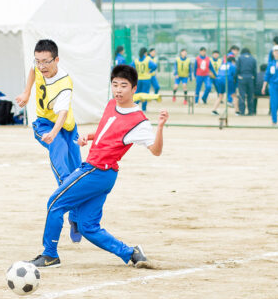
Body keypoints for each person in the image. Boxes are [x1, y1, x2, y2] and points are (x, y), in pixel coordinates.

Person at [26, 64, 167, 269]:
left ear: (134, 89)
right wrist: (89, 137)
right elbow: (104, 132)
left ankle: (50, 255)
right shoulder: (112, 104)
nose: (118, 90)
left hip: (96, 171)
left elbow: (156, 150)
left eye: (124, 86)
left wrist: (160, 127)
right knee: (88, 226)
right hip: (103, 174)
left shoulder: (139, 121)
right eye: (115, 84)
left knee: (55, 202)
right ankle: (132, 254)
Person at [16, 39, 83, 242]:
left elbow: (63, 113)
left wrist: (56, 131)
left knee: (79, 172)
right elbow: (32, 71)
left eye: (46, 62)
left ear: (57, 60)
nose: (41, 66)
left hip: (67, 128)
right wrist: (27, 92)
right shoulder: (38, 67)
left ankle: (76, 218)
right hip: (44, 124)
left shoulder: (65, 82)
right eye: (38, 61)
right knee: (59, 152)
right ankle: (65, 193)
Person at [236, 47, 257, 115]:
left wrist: (237, 76)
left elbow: (237, 68)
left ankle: (242, 111)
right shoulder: (253, 58)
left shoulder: (240, 58)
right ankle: (250, 111)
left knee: (242, 95)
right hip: (251, 78)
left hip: (242, 78)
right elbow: (255, 71)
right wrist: (254, 80)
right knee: (250, 95)